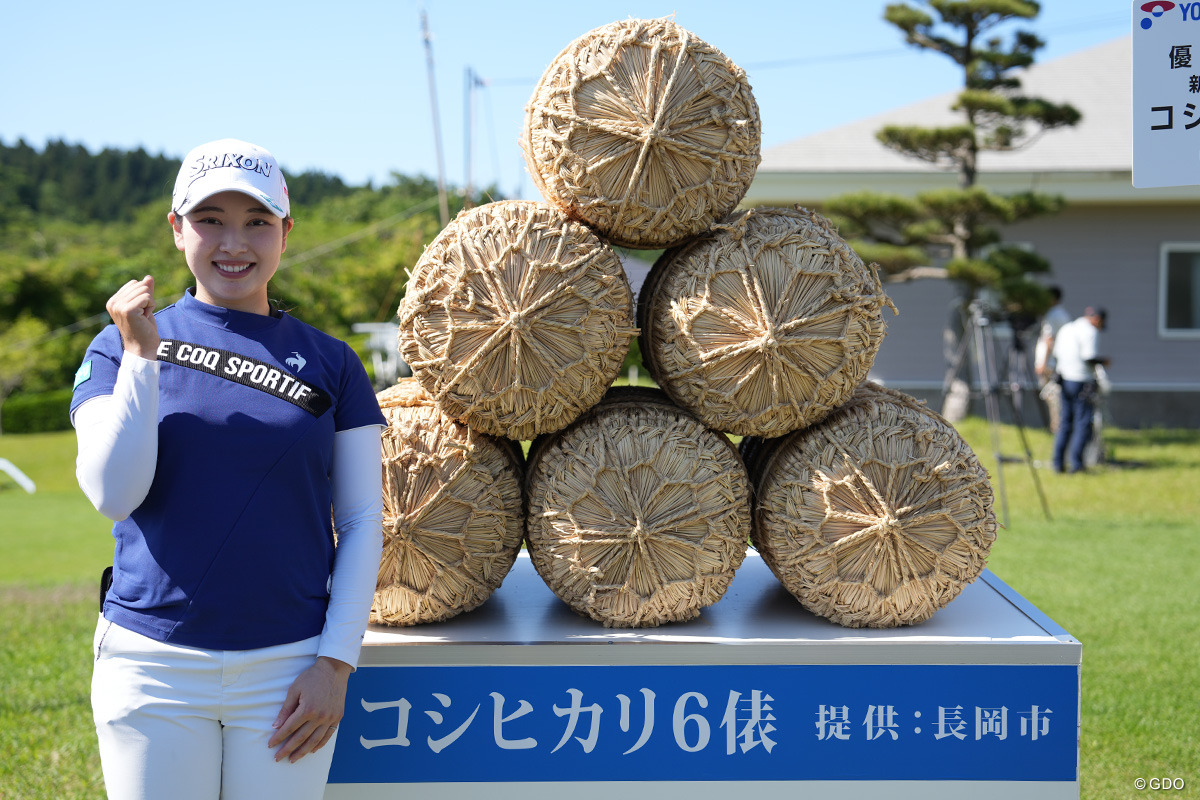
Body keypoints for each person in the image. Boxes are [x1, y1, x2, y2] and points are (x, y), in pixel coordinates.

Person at [70, 139, 387, 800]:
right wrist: (140, 358)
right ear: (176, 227)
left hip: (288, 672)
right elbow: (112, 492)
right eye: (211, 218)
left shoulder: (333, 364)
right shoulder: (116, 346)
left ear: (286, 232)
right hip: (150, 666)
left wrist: (335, 664)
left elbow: (360, 520)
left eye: (257, 222)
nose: (233, 242)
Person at [1050, 306, 1110, 473]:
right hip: (1082, 381)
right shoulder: (1090, 331)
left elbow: (1056, 354)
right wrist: (1104, 362)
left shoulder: (1067, 328)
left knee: (1065, 422)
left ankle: (1058, 462)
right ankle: (1077, 464)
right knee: (1083, 422)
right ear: (1097, 319)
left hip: (1064, 379)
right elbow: (1088, 356)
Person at [1034, 286, 1071, 432]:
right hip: (1056, 361)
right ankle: (1057, 428)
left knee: (1052, 396)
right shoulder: (1061, 314)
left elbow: (1050, 340)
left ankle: (1056, 428)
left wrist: (1043, 362)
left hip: (1050, 363)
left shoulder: (1054, 315)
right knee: (1054, 396)